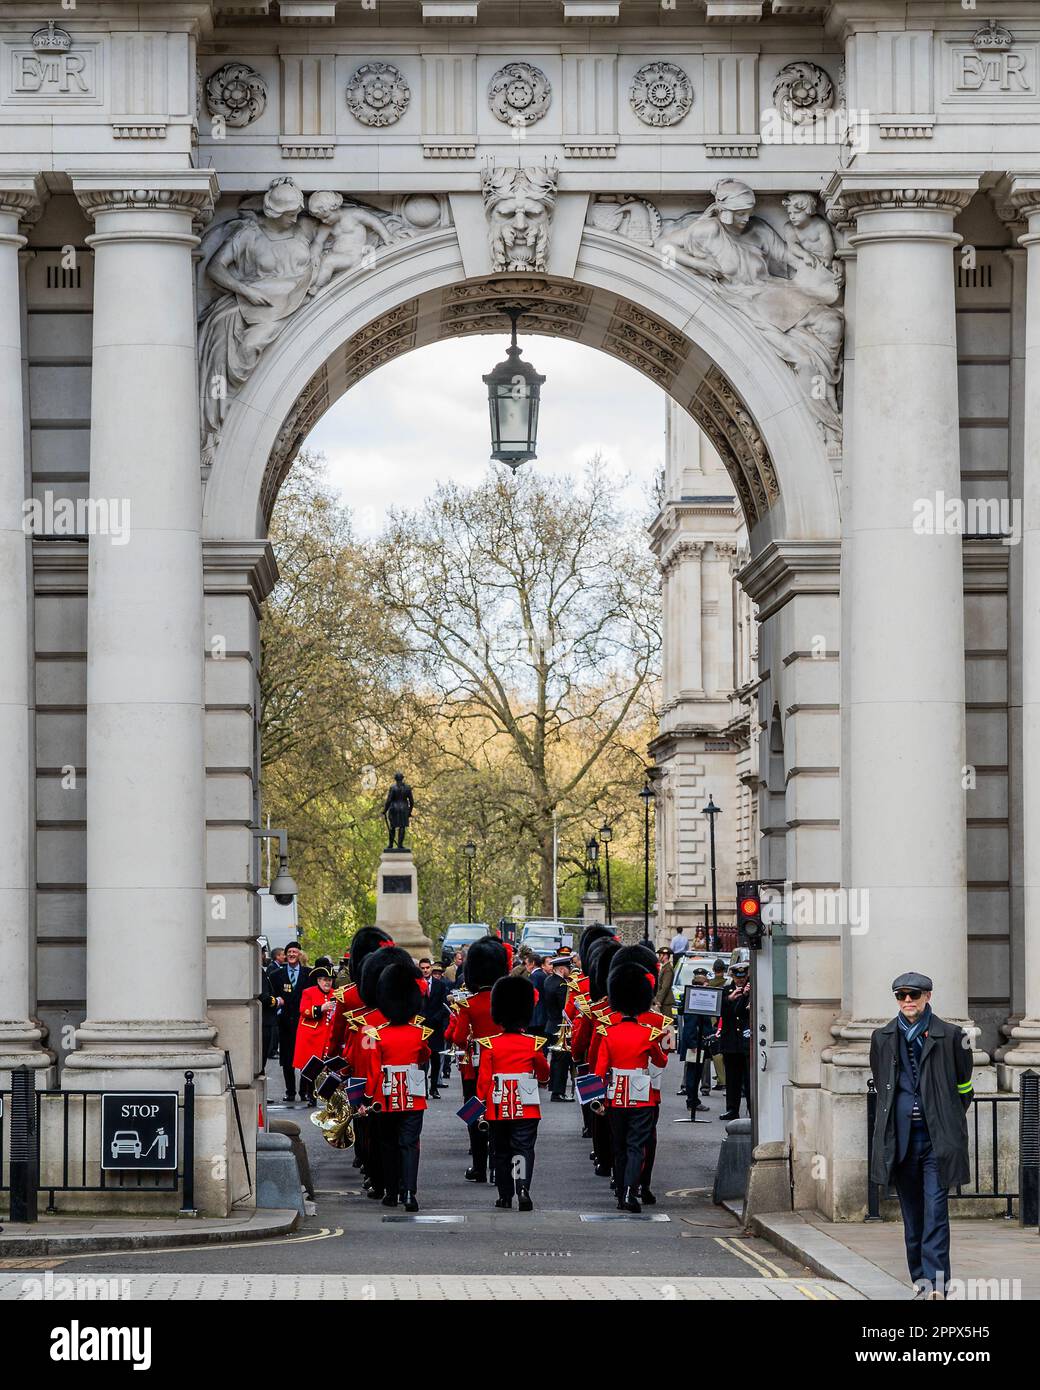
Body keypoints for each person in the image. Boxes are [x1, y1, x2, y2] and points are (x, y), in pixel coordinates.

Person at [869, 972, 974, 1299]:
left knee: (935, 1213)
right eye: (901, 996)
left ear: (928, 996)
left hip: (936, 1142)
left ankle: (937, 1285)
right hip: (899, 1142)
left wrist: (945, 1116)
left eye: (914, 994)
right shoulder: (882, 1037)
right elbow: (882, 1082)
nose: (907, 1001)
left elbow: (964, 1088)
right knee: (913, 1218)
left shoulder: (953, 1036)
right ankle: (921, 1280)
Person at [361, 955, 430, 1213]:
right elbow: (424, 1057)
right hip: (413, 1094)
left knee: (388, 1144)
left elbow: (373, 1071)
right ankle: (409, 1193)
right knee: (409, 1144)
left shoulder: (377, 1035)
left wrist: (369, 1098)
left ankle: (391, 1192)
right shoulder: (418, 1033)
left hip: (386, 1096)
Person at [598, 959, 668, 1215]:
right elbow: (661, 1060)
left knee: (619, 1146)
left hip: (615, 1095)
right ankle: (631, 1191)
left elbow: (599, 1070)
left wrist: (598, 1101)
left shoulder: (608, 1033)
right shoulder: (647, 1033)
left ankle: (620, 1192)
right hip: (641, 1096)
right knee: (636, 1145)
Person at [476, 975, 550, 1211]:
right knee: (523, 1149)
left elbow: (484, 1081)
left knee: (501, 1151)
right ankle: (523, 1189)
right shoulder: (532, 1043)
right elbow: (544, 1071)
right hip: (526, 1105)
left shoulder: (490, 1044)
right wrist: (544, 1079)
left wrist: (478, 1108)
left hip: (497, 1107)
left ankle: (505, 1195)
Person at [444, 935, 509, 1182]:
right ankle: (498, 1166)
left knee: (475, 1112)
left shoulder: (469, 1005)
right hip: (504, 1063)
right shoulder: (506, 1000)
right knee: (502, 1114)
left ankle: (480, 1167)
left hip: (475, 1066)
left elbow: (459, 1038)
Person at [268, 942, 307, 1102]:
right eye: (289, 952)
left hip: (304, 1024)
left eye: (294, 952)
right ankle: (290, 1091)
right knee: (287, 1060)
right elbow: (273, 997)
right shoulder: (276, 975)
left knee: (305, 1059)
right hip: (285, 1024)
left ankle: (304, 1092)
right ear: (285, 955)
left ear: (299, 955)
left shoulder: (308, 974)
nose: (291, 954)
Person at [292, 966, 337, 1104]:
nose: (327, 983)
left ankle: (327, 1096)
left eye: (329, 980)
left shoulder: (336, 993)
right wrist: (320, 1008)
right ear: (318, 980)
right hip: (311, 1036)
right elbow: (303, 1010)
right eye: (324, 980)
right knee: (311, 1067)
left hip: (328, 1035)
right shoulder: (308, 992)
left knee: (329, 1067)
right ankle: (311, 1096)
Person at [677, 968, 715, 1119]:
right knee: (694, 1074)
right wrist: (693, 1044)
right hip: (694, 1044)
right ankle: (692, 1101)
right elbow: (691, 1025)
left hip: (698, 1042)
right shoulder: (694, 1000)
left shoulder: (695, 998)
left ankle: (694, 1100)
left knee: (697, 1073)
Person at [718, 963, 751, 1120]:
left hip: (745, 1041)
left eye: (743, 978)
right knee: (732, 1079)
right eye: (738, 978)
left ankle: (752, 1109)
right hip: (730, 1040)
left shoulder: (750, 991)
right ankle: (732, 1108)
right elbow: (719, 1011)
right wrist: (729, 999)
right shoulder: (726, 991)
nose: (740, 981)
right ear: (732, 977)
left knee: (749, 1079)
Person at [419, 957, 450, 1098]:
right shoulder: (417, 985)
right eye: (423, 968)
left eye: (427, 968)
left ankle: (434, 1088)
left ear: (431, 968)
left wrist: (437, 1018)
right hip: (422, 1027)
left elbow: (444, 1006)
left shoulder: (440, 985)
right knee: (423, 1060)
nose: (425, 970)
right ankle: (424, 1088)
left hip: (436, 1027)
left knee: (436, 1059)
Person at [542, 956, 571, 1101]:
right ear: (561, 969)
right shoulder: (562, 985)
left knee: (555, 1059)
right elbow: (565, 1009)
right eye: (568, 968)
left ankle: (553, 1087)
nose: (569, 971)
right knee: (561, 1061)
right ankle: (558, 1092)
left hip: (550, 1024)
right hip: (560, 1026)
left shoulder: (548, 981)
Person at [654, 947, 675, 1020]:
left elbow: (665, 987)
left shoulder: (668, 969)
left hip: (665, 1001)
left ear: (665, 956)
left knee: (667, 1024)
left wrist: (659, 1000)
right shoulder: (664, 967)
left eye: (660, 955)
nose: (659, 957)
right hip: (664, 1000)